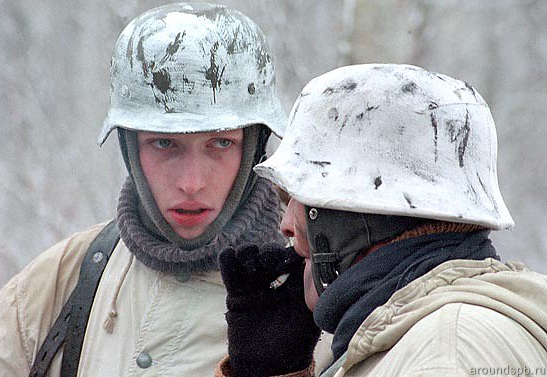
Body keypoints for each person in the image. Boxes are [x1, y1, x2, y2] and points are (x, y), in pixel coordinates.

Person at [0, 3, 291, 376]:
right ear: (130, 149)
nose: (191, 182)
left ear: (254, 146)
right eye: (164, 144)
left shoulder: (308, 300)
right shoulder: (69, 276)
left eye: (220, 144)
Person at [216, 64, 547, 376]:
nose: (286, 224)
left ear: (360, 213)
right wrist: (270, 370)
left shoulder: (444, 352)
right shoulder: (429, 335)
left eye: (302, 197)